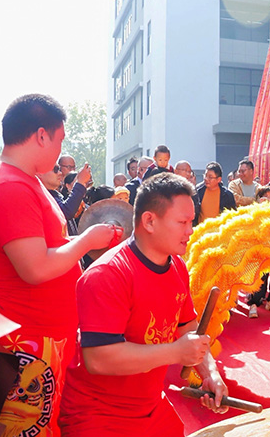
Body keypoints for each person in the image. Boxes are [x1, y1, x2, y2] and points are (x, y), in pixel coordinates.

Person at [0, 94, 117, 437]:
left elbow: (45, 247)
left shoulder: (23, 179)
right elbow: (35, 268)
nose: (59, 151)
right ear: (41, 135)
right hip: (26, 343)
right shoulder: (8, 187)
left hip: (40, 336)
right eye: (60, 139)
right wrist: (87, 241)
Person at [59, 173, 228, 437]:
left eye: (191, 221)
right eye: (182, 222)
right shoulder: (108, 274)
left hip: (150, 407)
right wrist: (175, 352)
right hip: (98, 414)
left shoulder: (177, 267)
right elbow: (99, 359)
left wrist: (210, 374)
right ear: (149, 220)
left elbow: (188, 330)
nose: (190, 230)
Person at [245, 187, 270, 317]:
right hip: (259, 249)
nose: (268, 199)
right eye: (265, 196)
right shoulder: (254, 211)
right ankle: (254, 303)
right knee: (259, 277)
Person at [39, 163, 89, 236]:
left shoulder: (54, 194)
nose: (60, 173)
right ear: (40, 173)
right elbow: (66, 211)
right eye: (55, 170)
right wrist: (80, 182)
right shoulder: (41, 195)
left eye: (59, 169)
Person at [193, 161, 237, 226]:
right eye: (205, 176)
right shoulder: (199, 192)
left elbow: (232, 217)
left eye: (210, 177)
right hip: (201, 233)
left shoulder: (227, 195)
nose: (206, 179)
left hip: (219, 233)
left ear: (219, 179)